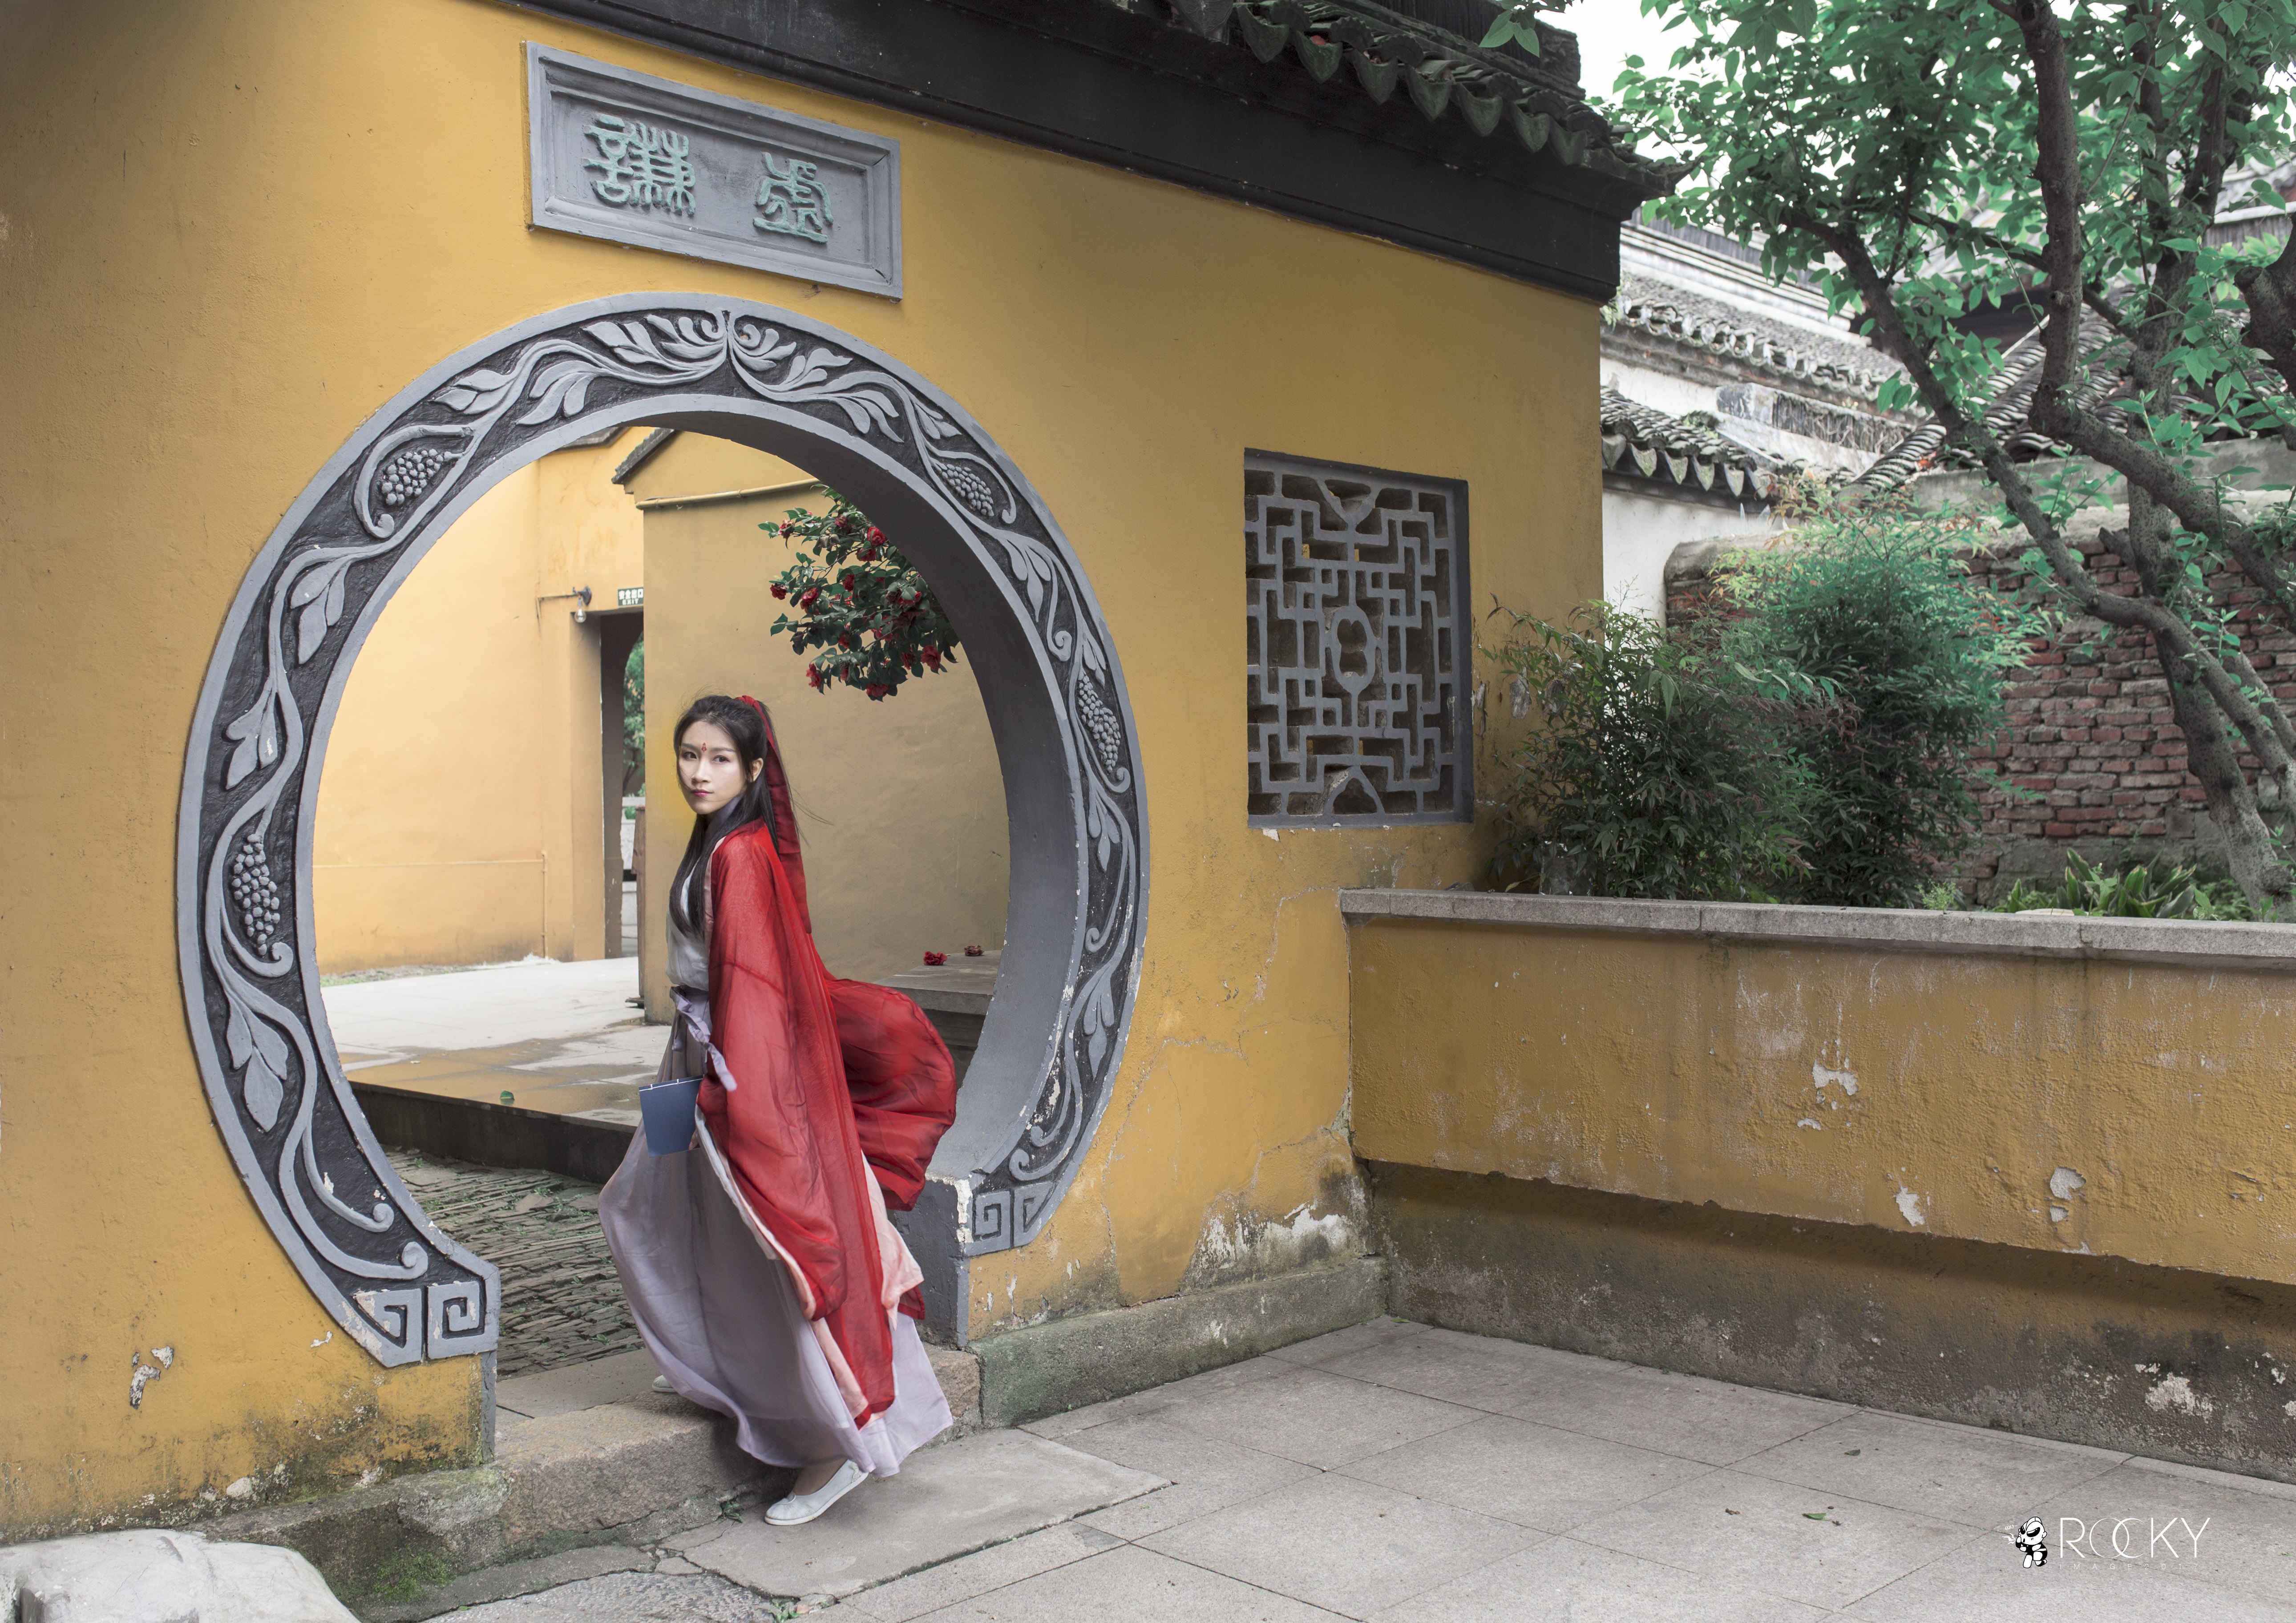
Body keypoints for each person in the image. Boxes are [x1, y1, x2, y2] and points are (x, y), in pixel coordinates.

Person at [600, 693, 958, 1526]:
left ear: (755, 768)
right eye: (690, 755)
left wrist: (737, 1094)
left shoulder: (741, 855)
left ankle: (835, 1446)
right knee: (685, 1220)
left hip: (741, 1069)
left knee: (778, 1245)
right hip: (705, 1055)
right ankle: (720, 1364)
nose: (699, 772)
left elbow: (756, 989)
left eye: (719, 759)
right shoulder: (716, 840)